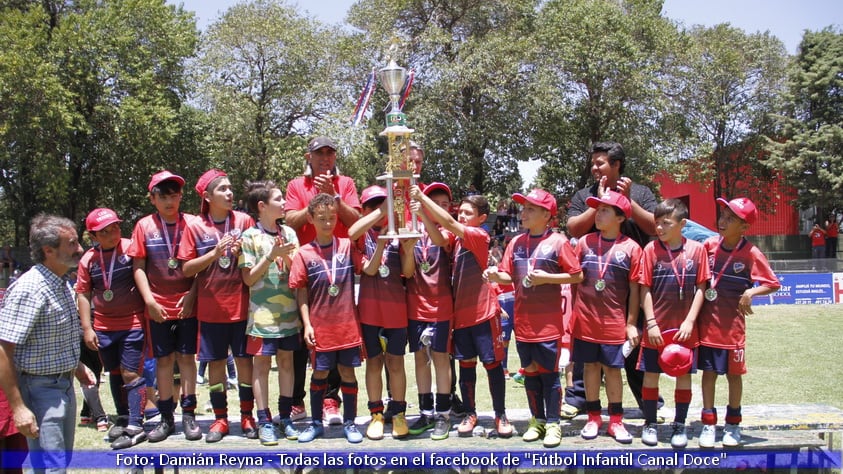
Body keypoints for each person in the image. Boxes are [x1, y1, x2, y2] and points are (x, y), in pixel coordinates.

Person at [409, 185, 513, 438]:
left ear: (481, 217)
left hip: (484, 313)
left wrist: (421, 198)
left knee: (492, 365)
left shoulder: (478, 235)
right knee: (466, 368)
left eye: (468, 213)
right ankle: (470, 413)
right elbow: (438, 238)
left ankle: (500, 414)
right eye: (460, 212)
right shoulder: (456, 238)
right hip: (461, 317)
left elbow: (448, 222)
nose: (462, 216)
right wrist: (422, 215)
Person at [564, 141, 658, 419]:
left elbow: (655, 226)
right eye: (593, 163)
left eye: (600, 163)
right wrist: (600, 202)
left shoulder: (640, 191)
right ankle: (579, 398)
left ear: (617, 165)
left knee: (633, 344)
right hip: (591, 286)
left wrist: (629, 201)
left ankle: (648, 401)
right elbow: (574, 227)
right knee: (586, 349)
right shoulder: (585, 194)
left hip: (628, 281)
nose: (594, 168)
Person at [486, 188, 583, 447]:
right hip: (524, 323)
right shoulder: (516, 242)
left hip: (548, 325)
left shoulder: (558, 241)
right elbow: (509, 275)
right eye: (523, 207)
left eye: (529, 209)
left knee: (549, 375)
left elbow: (576, 275)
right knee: (529, 372)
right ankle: (537, 420)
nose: (523, 213)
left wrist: (546, 278)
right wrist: (496, 275)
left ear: (546, 214)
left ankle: (553, 423)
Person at [0, 214, 95, 472]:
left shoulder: (61, 283)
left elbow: (50, 338)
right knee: (49, 467)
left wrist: (76, 367)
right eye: (72, 244)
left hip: (62, 385)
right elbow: (4, 350)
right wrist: (18, 408)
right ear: (49, 250)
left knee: (58, 462)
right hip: (38, 388)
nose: (80, 249)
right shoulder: (30, 289)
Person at [284, 136, 361, 424]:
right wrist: (316, 206)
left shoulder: (347, 184)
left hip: (339, 271)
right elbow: (289, 220)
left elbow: (356, 220)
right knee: (302, 339)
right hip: (304, 266)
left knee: (336, 338)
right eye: (319, 154)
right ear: (309, 157)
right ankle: (297, 402)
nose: (325, 159)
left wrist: (335, 200)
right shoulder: (296, 186)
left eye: (330, 153)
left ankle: (331, 400)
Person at [180, 169, 256, 443]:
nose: (229, 193)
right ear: (207, 196)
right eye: (222, 189)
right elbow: (187, 269)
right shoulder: (196, 226)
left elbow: (259, 255)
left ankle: (248, 416)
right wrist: (213, 254)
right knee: (216, 365)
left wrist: (242, 252)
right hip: (211, 308)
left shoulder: (245, 220)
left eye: (230, 187)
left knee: (245, 363)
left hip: (243, 305)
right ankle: (221, 419)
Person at [697, 198, 780, 448]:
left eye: (730, 219)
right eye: (723, 215)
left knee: (734, 376)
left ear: (744, 227)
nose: (722, 221)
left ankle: (733, 424)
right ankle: (708, 423)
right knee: (708, 374)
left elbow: (772, 283)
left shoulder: (751, 252)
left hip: (733, 329)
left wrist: (750, 293)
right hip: (707, 325)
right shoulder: (709, 245)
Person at [128, 170, 202, 443]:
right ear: (152, 199)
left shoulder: (193, 223)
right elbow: (138, 266)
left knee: (186, 359)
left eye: (174, 196)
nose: (170, 202)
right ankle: (166, 418)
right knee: (163, 360)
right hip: (157, 306)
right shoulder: (144, 226)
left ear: (181, 196)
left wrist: (193, 294)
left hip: (187, 305)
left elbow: (203, 267)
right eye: (163, 196)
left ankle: (189, 415)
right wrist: (149, 300)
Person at [289, 193, 364, 444]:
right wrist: (307, 324)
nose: (328, 222)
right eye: (321, 218)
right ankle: (315, 423)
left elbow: (366, 263)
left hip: (347, 327)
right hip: (320, 328)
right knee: (319, 374)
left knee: (347, 373)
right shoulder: (303, 254)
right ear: (310, 218)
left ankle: (351, 422)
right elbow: (301, 293)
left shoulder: (346, 245)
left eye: (332, 217)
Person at [571, 191, 642, 444]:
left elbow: (635, 290)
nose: (597, 215)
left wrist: (631, 322)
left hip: (614, 323)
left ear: (620, 217)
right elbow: (573, 281)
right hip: (585, 322)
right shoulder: (584, 242)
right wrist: (575, 313)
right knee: (590, 368)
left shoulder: (632, 248)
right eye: (597, 209)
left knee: (613, 370)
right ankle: (593, 417)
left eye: (604, 211)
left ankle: (616, 421)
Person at [638, 199, 710, 448]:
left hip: (685, 330)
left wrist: (690, 321)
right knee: (651, 375)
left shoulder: (697, 250)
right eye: (657, 223)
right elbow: (644, 289)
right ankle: (650, 423)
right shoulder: (650, 250)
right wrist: (651, 322)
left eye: (666, 223)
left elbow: (701, 288)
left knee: (684, 376)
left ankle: (679, 424)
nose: (659, 228)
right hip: (656, 328)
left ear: (683, 224)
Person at [76, 208, 148, 450]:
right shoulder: (88, 259)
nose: (112, 233)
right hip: (104, 327)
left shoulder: (131, 247)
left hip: (133, 323)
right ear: (93, 236)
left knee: (130, 373)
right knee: (114, 373)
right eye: (104, 232)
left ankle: (137, 422)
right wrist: (87, 328)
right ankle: (123, 417)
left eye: (115, 227)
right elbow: (84, 294)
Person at [347, 186, 414, 441]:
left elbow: (408, 272)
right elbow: (371, 269)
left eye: (383, 204)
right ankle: (376, 414)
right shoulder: (362, 237)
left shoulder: (401, 230)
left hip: (396, 311)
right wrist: (381, 232)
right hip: (370, 312)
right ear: (363, 210)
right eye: (372, 206)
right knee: (374, 363)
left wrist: (407, 250)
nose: (378, 210)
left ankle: (397, 412)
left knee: (396, 363)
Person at [239, 180, 302, 445]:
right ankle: (264, 420)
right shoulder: (249, 237)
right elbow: (248, 279)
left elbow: (297, 273)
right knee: (261, 367)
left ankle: (285, 417)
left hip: (289, 315)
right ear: (262, 206)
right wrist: (270, 254)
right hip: (261, 318)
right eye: (278, 199)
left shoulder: (289, 233)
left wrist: (285, 256)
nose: (284, 203)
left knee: (287, 364)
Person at [404, 183, 456, 440]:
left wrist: (424, 211)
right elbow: (408, 270)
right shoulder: (413, 230)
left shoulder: (450, 231)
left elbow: (441, 240)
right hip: (415, 306)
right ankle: (425, 411)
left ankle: (443, 414)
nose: (440, 208)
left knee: (440, 359)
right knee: (420, 360)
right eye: (435, 202)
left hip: (441, 307)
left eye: (445, 204)